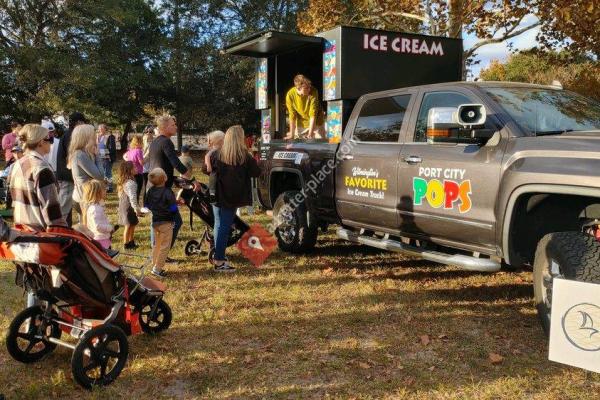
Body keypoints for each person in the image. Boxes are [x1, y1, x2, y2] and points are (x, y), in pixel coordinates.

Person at [203, 125, 261, 272]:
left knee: (218, 224)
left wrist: (209, 161)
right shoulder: (244, 156)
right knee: (224, 226)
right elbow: (256, 172)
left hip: (216, 194)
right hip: (232, 197)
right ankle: (219, 260)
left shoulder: (217, 154)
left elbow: (205, 170)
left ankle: (218, 255)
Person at [146, 114, 194, 248]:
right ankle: (161, 252)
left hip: (154, 187)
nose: (176, 127)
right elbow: (175, 162)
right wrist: (190, 178)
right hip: (161, 190)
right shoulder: (166, 142)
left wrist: (174, 180)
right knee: (175, 221)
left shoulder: (155, 142)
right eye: (173, 125)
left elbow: (160, 164)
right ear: (165, 127)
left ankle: (156, 251)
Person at [144, 168, 177, 278]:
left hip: (155, 221)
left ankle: (154, 265)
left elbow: (147, 205)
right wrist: (174, 211)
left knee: (156, 245)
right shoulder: (168, 192)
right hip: (166, 222)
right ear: (165, 178)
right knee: (164, 246)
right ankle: (157, 269)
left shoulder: (150, 191)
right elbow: (173, 208)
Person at [68, 124, 104, 223]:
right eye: (93, 135)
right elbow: (100, 175)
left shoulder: (82, 153)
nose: (95, 137)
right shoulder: (80, 155)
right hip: (84, 198)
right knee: (89, 231)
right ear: (86, 137)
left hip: (85, 197)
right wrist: (97, 156)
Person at [56, 112, 87, 225]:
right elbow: (73, 157)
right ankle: (58, 230)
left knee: (77, 204)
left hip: (70, 175)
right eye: (83, 122)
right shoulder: (72, 136)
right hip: (67, 176)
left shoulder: (71, 134)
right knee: (64, 208)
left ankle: (71, 229)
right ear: (78, 122)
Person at [285, 74, 325, 139]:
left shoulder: (313, 91)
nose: (309, 89)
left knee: (320, 143)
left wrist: (310, 134)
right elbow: (292, 115)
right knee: (299, 144)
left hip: (316, 122)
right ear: (298, 88)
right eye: (306, 88)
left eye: (309, 87)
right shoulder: (290, 95)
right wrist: (291, 134)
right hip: (301, 122)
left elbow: (313, 113)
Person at [81, 180, 113, 250]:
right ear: (97, 193)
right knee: (105, 258)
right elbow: (97, 226)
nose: (105, 191)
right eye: (103, 190)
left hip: (102, 238)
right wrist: (110, 228)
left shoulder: (96, 206)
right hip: (100, 240)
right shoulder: (95, 209)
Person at [116, 161, 141, 249]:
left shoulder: (125, 181)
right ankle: (126, 244)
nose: (136, 168)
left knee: (132, 224)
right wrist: (136, 209)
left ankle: (131, 241)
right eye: (134, 167)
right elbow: (132, 198)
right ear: (129, 170)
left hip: (125, 205)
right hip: (128, 207)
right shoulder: (130, 183)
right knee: (128, 225)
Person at [123, 135, 144, 203]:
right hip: (138, 173)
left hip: (130, 173)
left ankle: (131, 206)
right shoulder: (139, 151)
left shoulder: (130, 151)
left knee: (131, 191)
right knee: (137, 192)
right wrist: (147, 157)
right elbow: (141, 163)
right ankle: (136, 208)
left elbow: (125, 157)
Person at [97, 124, 117, 192]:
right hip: (100, 158)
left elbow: (112, 149)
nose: (100, 130)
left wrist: (101, 152)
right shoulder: (99, 137)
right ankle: (103, 187)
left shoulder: (110, 137)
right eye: (99, 129)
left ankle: (110, 187)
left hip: (108, 158)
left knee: (108, 173)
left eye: (101, 129)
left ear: (105, 129)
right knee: (102, 173)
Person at [142, 126, 154, 193]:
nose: (148, 133)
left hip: (151, 168)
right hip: (144, 170)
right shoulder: (141, 144)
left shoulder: (154, 144)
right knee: (146, 188)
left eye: (150, 132)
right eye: (147, 131)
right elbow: (143, 160)